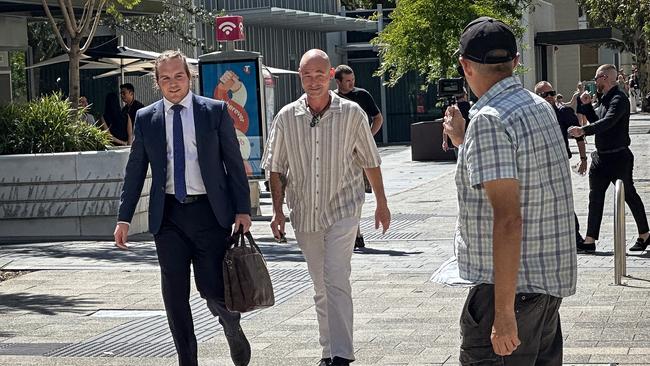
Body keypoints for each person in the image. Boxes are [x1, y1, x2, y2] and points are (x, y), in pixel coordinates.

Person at [443, 17, 577, 364]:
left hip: (506, 291)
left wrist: (503, 313)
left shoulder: (489, 119)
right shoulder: (539, 106)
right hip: (544, 283)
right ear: (516, 61)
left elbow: (507, 218)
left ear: (465, 65)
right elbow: (528, 184)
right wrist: (463, 144)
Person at [113, 50, 252, 366]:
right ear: (157, 82)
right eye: (165, 78)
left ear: (188, 77)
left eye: (178, 76)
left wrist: (242, 210)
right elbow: (135, 170)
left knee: (212, 289)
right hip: (169, 217)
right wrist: (124, 217)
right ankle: (187, 360)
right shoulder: (147, 118)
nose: (173, 83)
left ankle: (231, 324)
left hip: (209, 214)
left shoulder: (213, 111)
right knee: (175, 297)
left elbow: (233, 162)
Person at [262, 49, 391, 366]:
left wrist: (382, 203)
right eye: (307, 75)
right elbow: (275, 168)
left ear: (330, 74)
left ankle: (341, 355)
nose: (313, 81)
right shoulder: (286, 117)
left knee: (335, 277)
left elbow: (370, 161)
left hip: (343, 209)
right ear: (300, 77)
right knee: (320, 284)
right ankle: (327, 351)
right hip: (305, 212)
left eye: (320, 74)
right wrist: (278, 212)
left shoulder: (351, 114)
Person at [568, 64, 650, 253]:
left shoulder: (619, 99)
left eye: (596, 78)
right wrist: (588, 107)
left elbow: (608, 122)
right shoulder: (604, 99)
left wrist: (584, 130)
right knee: (595, 198)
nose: (595, 82)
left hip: (619, 156)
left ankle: (645, 234)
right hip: (601, 157)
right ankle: (590, 240)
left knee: (629, 194)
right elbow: (598, 119)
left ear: (604, 77)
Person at [334, 64, 384, 249]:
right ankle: (353, 233)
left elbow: (378, 117)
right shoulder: (332, 98)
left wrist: (368, 137)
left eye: (352, 80)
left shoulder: (362, 95)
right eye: (347, 81)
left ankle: (356, 231)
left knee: (357, 192)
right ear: (337, 82)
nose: (351, 84)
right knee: (341, 192)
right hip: (338, 153)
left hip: (359, 154)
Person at [535, 81, 588, 248]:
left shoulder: (563, 112)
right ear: (537, 96)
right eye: (545, 94)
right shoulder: (533, 115)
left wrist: (583, 158)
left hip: (559, 163)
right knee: (539, 202)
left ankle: (576, 238)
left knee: (562, 200)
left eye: (552, 93)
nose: (549, 97)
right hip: (538, 164)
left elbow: (579, 135)